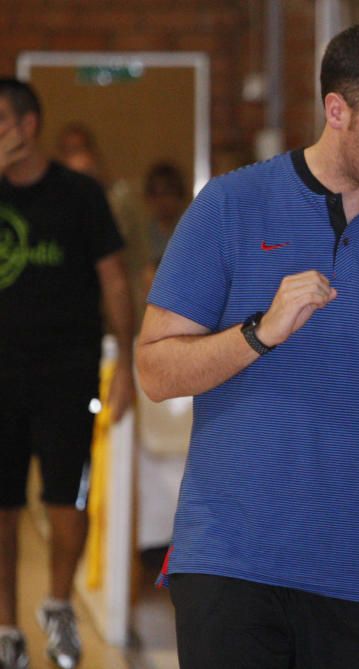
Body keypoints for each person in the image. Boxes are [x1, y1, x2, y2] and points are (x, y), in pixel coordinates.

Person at [135, 22, 359, 668]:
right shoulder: (230, 206)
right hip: (233, 559)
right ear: (338, 110)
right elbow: (156, 368)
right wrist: (259, 333)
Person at [0, 79, 134, 669]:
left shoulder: (79, 194)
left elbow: (114, 279)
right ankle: (5, 626)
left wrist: (125, 364)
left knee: (65, 502)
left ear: (28, 125)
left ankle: (57, 603)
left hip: (67, 372)